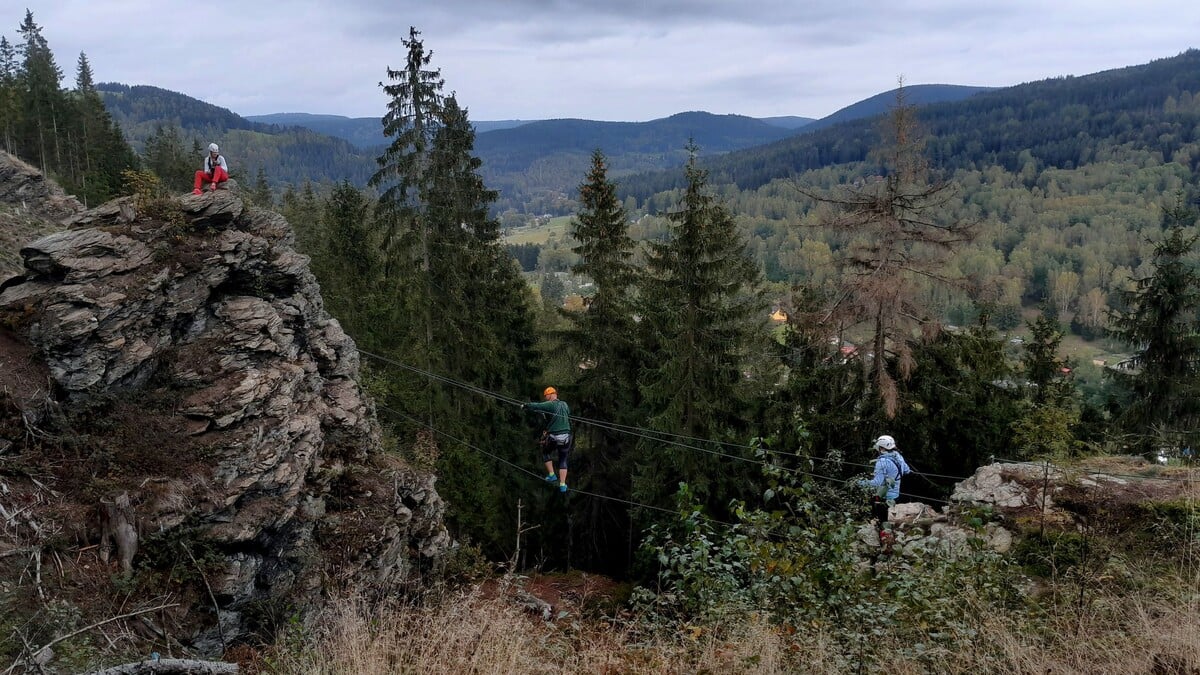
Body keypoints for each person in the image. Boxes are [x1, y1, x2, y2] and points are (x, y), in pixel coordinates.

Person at [859, 434, 911, 549]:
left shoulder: (882, 462)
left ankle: (886, 547)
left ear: (880, 448)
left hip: (884, 496)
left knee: (883, 522)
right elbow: (907, 470)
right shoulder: (897, 456)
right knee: (888, 520)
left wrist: (860, 483)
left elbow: (877, 483)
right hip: (896, 495)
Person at [523, 386, 571, 493]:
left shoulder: (551, 404)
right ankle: (563, 485)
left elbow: (538, 406)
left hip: (554, 436)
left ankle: (552, 475)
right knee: (563, 459)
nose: (545, 398)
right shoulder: (565, 404)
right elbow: (567, 414)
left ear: (550, 395)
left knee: (545, 451)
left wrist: (526, 406)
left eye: (546, 396)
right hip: (566, 437)